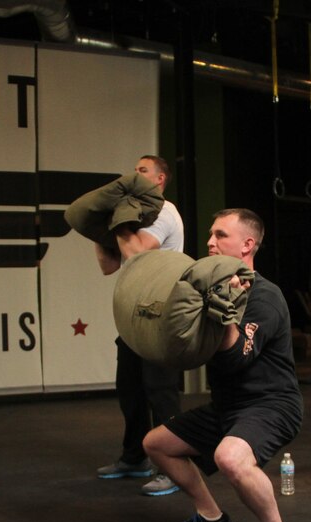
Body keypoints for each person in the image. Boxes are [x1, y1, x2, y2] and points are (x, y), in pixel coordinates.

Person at [143, 209, 303, 522]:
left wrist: (225, 312)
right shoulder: (209, 290)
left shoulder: (265, 296)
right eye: (210, 235)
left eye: (220, 235)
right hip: (228, 406)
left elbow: (235, 359)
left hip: (272, 404)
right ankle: (212, 517)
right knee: (156, 444)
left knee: (230, 457)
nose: (210, 243)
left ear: (248, 244)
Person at [95, 156, 184, 496]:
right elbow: (108, 265)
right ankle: (134, 458)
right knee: (129, 390)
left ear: (160, 179)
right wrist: (100, 230)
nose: (135, 174)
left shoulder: (162, 212)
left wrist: (118, 224)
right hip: (134, 313)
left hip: (160, 312)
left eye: (143, 170)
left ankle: (175, 467)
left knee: (160, 392)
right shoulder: (134, 217)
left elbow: (137, 255)